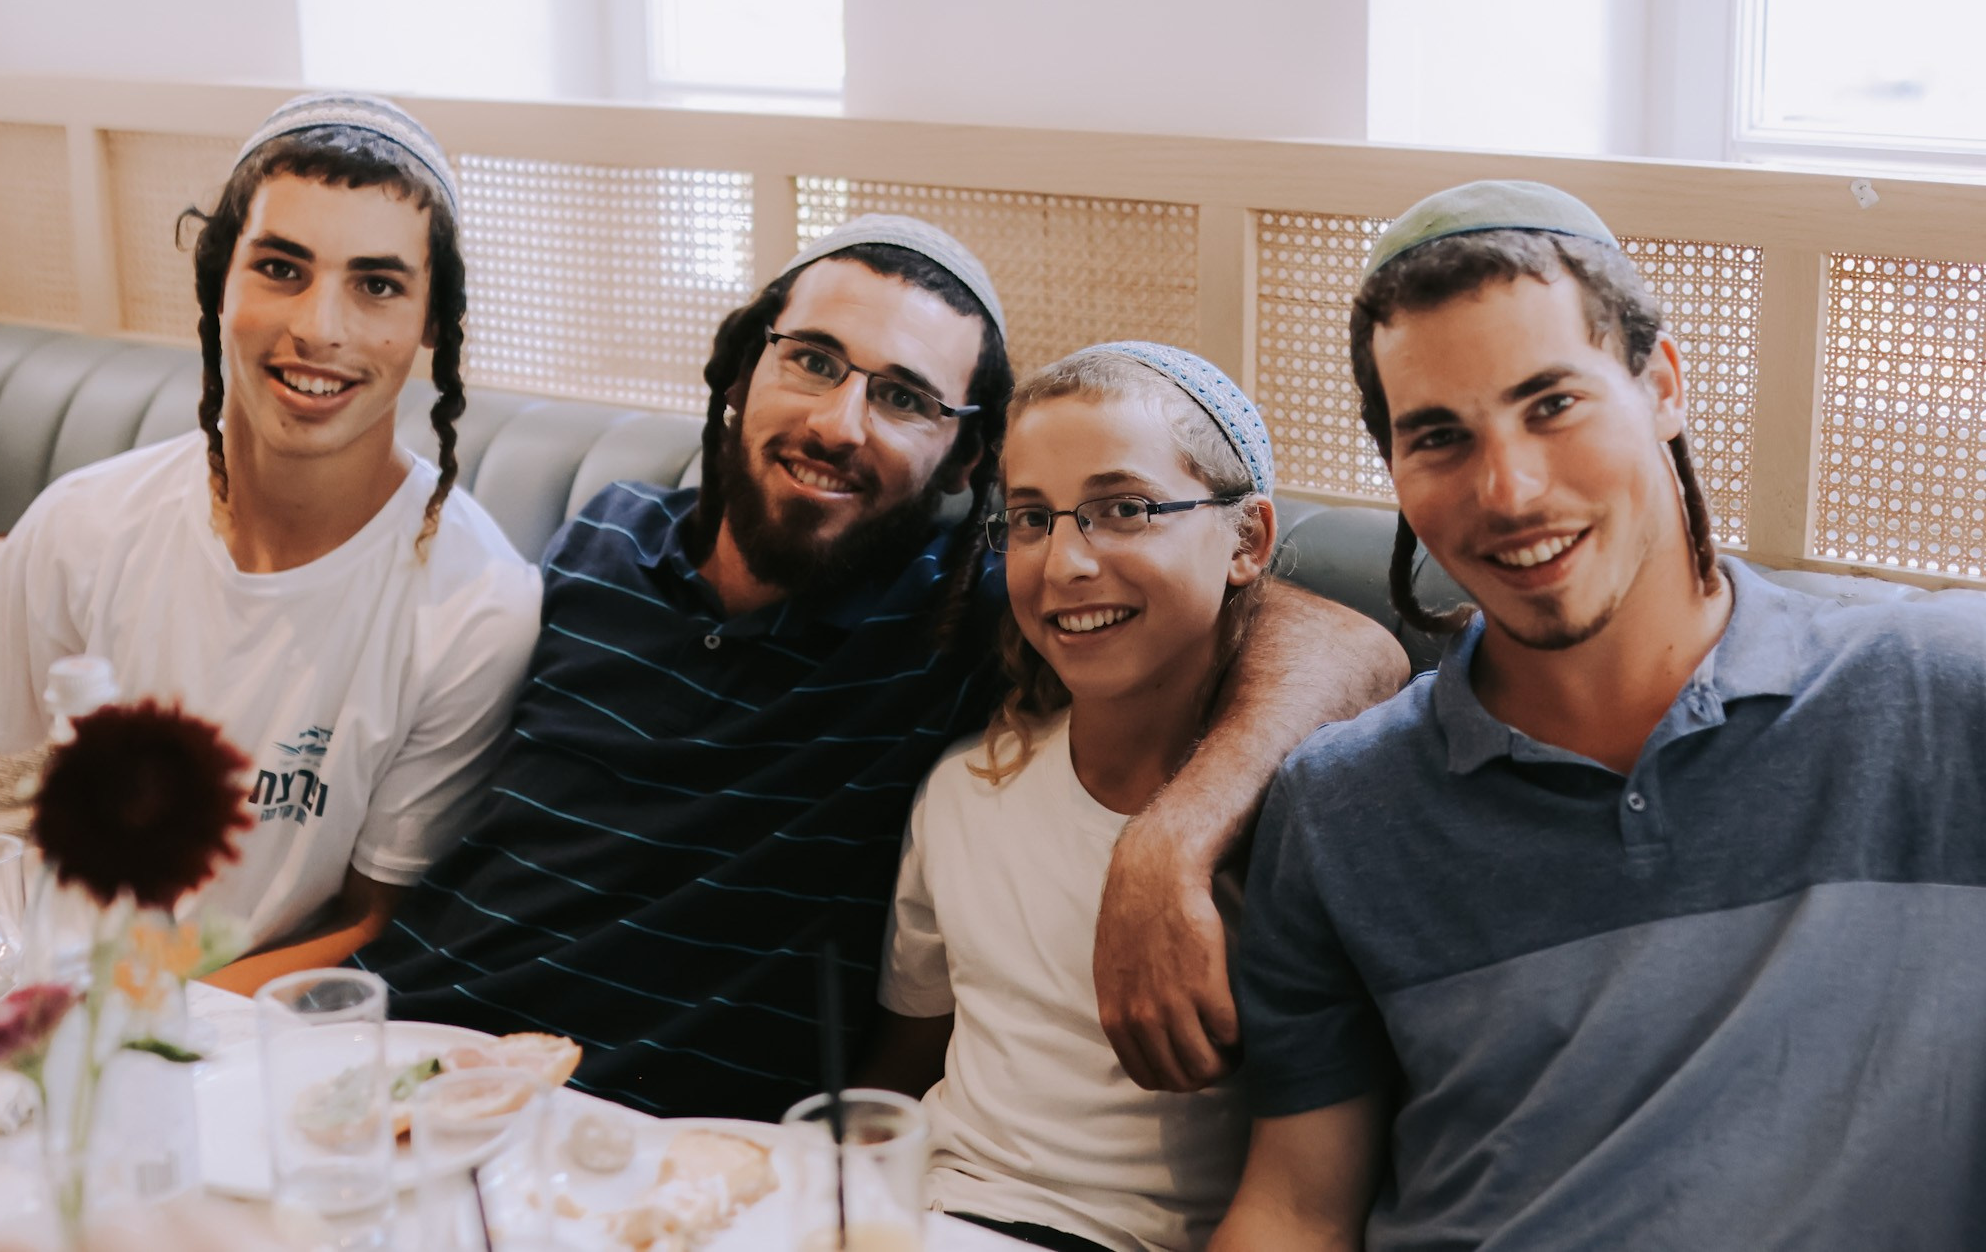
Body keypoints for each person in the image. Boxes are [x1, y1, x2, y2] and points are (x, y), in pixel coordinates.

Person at [359, 216, 1407, 1122]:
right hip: (391, 1059)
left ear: (963, 464)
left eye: (905, 397)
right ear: (741, 370)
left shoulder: (966, 613)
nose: (836, 422)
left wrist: (1171, 843)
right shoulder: (605, 539)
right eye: (810, 359)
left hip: (652, 1151)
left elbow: (1347, 644)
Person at [1214, 180, 1986, 1251]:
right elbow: (1295, 1208)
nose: (1511, 490)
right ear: (1393, 470)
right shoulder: (1339, 809)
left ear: (1660, 384)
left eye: (1552, 403)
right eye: (1438, 436)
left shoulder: (1937, 698)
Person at [0, 93, 541, 991]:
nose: (321, 328)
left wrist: (140, 1030)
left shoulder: (477, 605)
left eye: (377, 284)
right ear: (219, 281)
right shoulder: (86, 521)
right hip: (25, 1008)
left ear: (430, 324)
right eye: (281, 268)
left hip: (247, 1038)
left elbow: (370, 918)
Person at [874, 343, 1278, 1252]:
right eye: (1029, 519)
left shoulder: (1297, 823)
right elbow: (915, 1053)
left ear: (1247, 539)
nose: (1064, 564)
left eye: (1122, 509)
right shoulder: (965, 792)